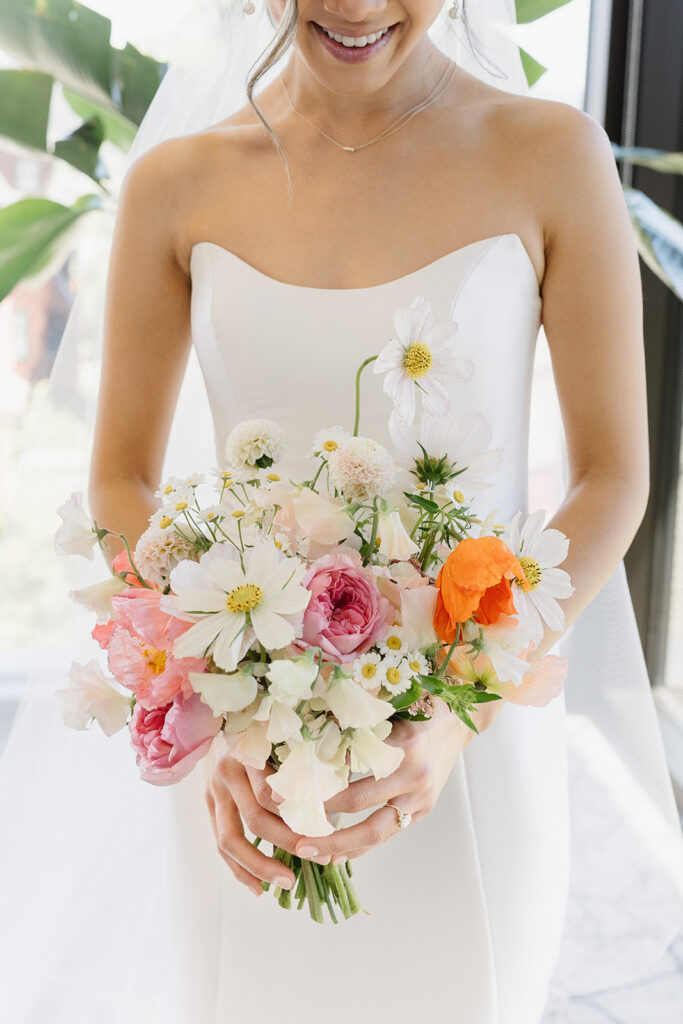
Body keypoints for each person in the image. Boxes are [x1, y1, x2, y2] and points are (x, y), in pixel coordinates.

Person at [1, 2, 681, 1022]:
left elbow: (610, 479)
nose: (354, 5)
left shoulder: (550, 155)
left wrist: (457, 715)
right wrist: (228, 709)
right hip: (254, 770)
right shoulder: (176, 183)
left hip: (466, 758)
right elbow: (119, 484)